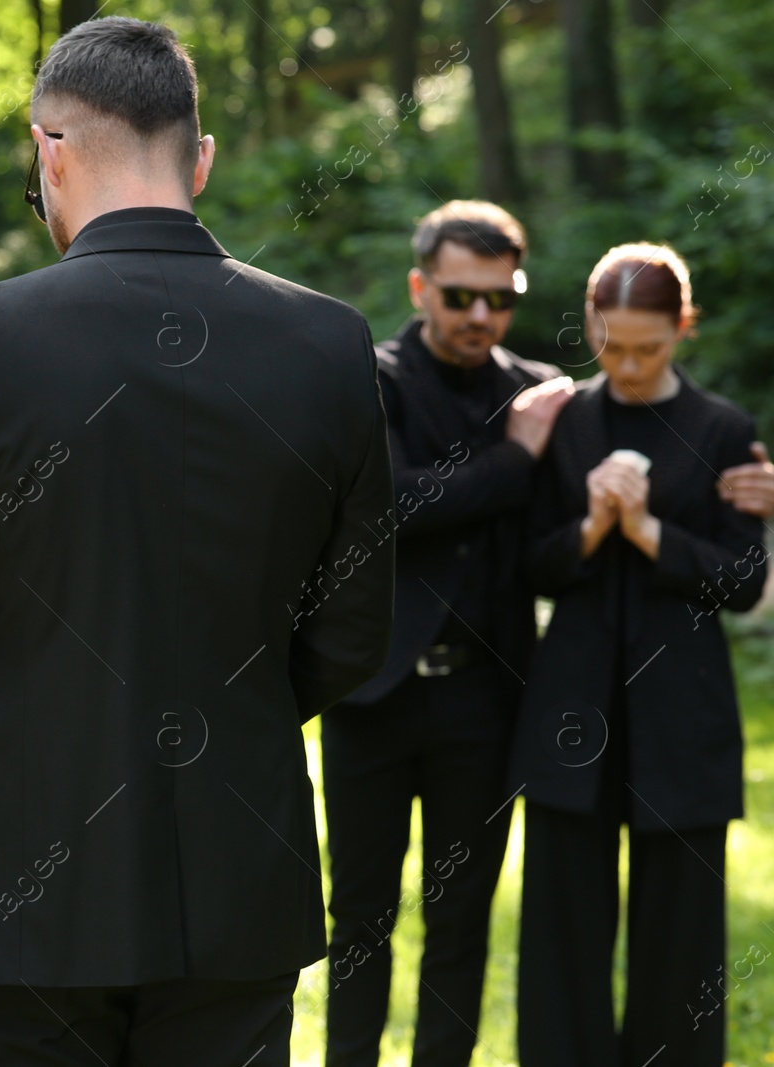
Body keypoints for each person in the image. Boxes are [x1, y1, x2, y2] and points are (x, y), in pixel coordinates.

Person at [0, 18, 394, 1066]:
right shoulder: (331, 343)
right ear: (202, 156)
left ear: (47, 151)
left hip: (13, 867)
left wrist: (11, 706)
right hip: (238, 870)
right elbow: (356, 630)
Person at [317, 201, 570, 1067]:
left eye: (498, 299)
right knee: (361, 918)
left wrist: (735, 487)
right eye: (460, 295)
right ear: (421, 285)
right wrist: (515, 459)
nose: (479, 316)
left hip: (487, 698)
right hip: (372, 693)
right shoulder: (370, 379)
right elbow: (393, 505)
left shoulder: (537, 393)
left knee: (461, 918)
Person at [510, 243, 767, 1067]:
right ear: (591, 325)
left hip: (683, 712)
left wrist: (653, 534)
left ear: (682, 329)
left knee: (682, 935)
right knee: (562, 927)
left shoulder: (722, 427)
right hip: (570, 706)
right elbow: (527, 562)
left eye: (647, 347)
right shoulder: (565, 421)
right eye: (611, 344)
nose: (625, 364)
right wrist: (591, 524)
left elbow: (745, 576)